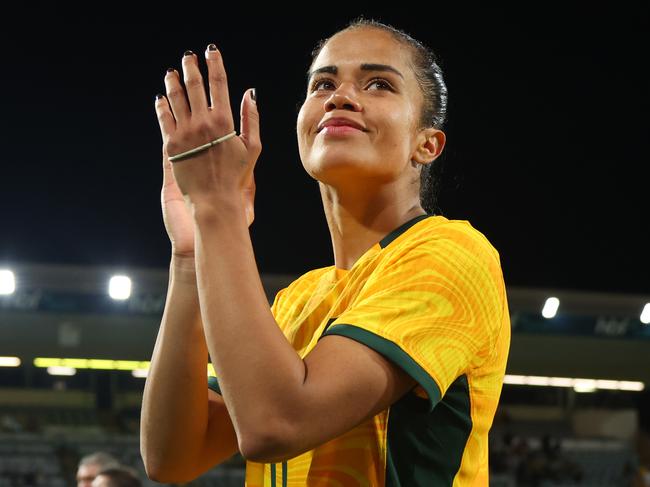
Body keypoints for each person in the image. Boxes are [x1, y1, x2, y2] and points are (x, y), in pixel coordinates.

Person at [140, 16, 510, 486]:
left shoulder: (452, 254)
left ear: (427, 144)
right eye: (323, 84)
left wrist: (218, 210)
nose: (340, 96)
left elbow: (275, 424)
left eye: (378, 84)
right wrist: (192, 258)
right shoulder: (298, 299)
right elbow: (172, 457)